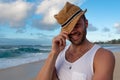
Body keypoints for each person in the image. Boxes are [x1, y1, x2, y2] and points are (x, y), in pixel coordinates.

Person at [36, 2, 115, 80]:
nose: (73, 31)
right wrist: (53, 53)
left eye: (77, 25)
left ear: (86, 23)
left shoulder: (102, 56)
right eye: (68, 28)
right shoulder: (58, 54)